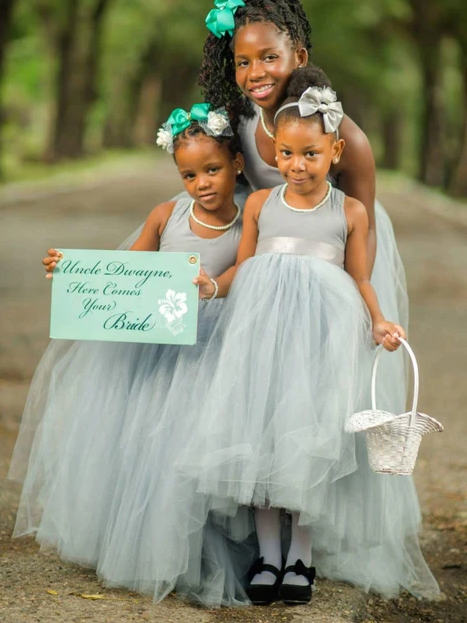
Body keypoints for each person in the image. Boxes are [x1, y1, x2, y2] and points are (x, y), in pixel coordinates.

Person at [173, 68, 440, 605]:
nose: (298, 165)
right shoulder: (259, 205)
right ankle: (268, 555)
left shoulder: (350, 211)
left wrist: (379, 321)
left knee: (309, 434)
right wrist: (210, 288)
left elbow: (360, 276)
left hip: (321, 333)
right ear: (275, 156)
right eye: (288, 155)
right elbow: (243, 269)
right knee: (259, 435)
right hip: (259, 333)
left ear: (335, 150)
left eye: (311, 155)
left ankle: (302, 558)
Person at [8, 104, 246, 588]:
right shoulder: (167, 215)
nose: (201, 182)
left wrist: (213, 285)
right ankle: (139, 541)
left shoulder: (251, 218)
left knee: (196, 442)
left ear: (237, 163)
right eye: (189, 174)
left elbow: (248, 269)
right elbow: (126, 272)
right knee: (149, 438)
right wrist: (73, 271)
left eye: (212, 169)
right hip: (159, 347)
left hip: (213, 344)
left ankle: (198, 544)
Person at [199, 0, 409, 415]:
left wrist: (353, 304)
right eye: (243, 62)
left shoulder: (345, 138)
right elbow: (213, 190)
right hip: (261, 248)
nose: (255, 72)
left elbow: (361, 228)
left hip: (328, 252)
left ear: (300, 57)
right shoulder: (237, 122)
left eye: (269, 57)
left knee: (311, 389)